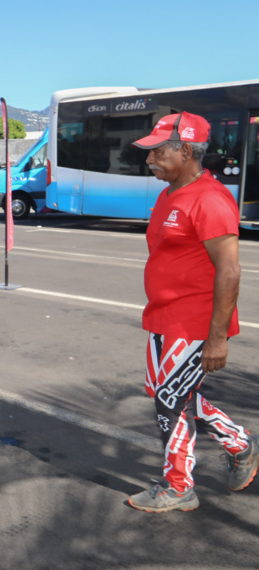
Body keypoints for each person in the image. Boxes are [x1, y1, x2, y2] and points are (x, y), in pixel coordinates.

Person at [127, 111, 259, 513]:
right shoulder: (170, 193)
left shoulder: (210, 199)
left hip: (195, 323)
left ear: (185, 150)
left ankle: (178, 485)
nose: (149, 159)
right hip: (163, 316)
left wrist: (217, 338)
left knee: (170, 401)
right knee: (170, 395)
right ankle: (241, 445)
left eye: (157, 151)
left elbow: (230, 270)